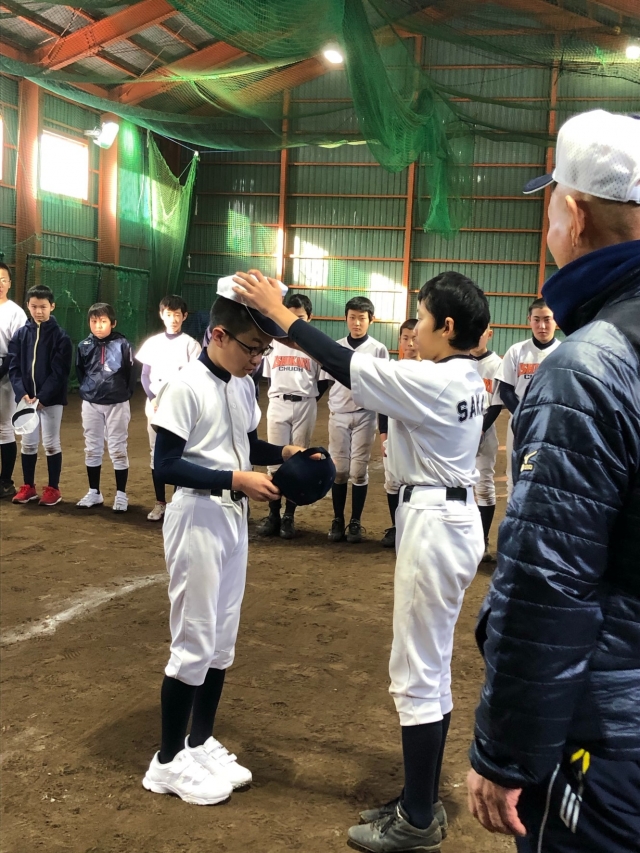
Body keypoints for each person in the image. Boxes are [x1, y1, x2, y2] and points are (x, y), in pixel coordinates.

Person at [234, 268, 489, 853]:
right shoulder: (463, 375)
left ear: (448, 326)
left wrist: (282, 315)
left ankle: (417, 818)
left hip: (435, 523)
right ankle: (420, 800)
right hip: (450, 518)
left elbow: (345, 365)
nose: (416, 327)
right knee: (431, 669)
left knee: (417, 672)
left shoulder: (436, 379)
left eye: (424, 318)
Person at [467, 110, 640, 853]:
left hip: (610, 731)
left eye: (550, 209)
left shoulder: (591, 366)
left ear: (574, 214)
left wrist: (507, 752)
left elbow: (548, 583)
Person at [142, 278, 315, 805]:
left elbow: (241, 443)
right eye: (252, 348)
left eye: (263, 351)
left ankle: (198, 742)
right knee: (193, 642)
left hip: (231, 517)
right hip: (196, 516)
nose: (258, 360)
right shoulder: (185, 385)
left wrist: (281, 454)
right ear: (218, 335)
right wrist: (233, 479)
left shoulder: (240, 384)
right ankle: (166, 762)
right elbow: (165, 465)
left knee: (221, 642)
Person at [257, 293, 328, 540]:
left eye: (300, 317)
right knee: (274, 460)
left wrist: (307, 399)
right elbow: (268, 377)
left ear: (309, 317)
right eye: (290, 315)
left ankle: (289, 516)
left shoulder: (314, 343)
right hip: (278, 402)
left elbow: (322, 382)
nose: (294, 321)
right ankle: (273, 514)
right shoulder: (274, 341)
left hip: (305, 404)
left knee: (299, 461)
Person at [322, 296, 389, 544]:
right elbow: (326, 382)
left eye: (362, 318)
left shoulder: (378, 349)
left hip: (365, 415)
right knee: (339, 470)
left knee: (359, 472)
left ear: (371, 320)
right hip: (338, 414)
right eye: (352, 317)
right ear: (346, 319)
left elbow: (383, 386)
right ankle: (338, 519)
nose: (357, 323)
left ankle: (355, 521)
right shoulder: (336, 347)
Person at [135, 295, 201, 522]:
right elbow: (145, 376)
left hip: (180, 406)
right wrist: (153, 398)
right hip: (155, 405)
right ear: (161, 315)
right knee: (156, 452)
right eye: (168, 314)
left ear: (184, 316)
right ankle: (160, 502)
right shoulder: (153, 343)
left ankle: (178, 503)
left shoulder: (191, 345)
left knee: (181, 451)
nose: (173, 319)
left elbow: (195, 378)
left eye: (177, 314)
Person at [8, 284, 72, 506]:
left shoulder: (61, 337)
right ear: (28, 306)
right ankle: (29, 488)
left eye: (43, 306)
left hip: (50, 401)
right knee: (28, 444)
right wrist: (22, 393)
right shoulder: (20, 335)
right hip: (26, 400)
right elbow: (14, 367)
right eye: (34, 306)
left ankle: (53, 489)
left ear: (52, 306)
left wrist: (43, 398)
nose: (38, 311)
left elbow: (60, 372)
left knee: (51, 443)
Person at [495, 298, 560, 500]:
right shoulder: (517, 351)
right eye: (537, 319)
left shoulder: (563, 352)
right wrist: (524, 415)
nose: (542, 326)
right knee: (514, 475)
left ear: (556, 321)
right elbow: (505, 390)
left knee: (548, 475)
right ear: (529, 320)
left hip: (551, 424)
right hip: (520, 423)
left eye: (547, 319)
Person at [75, 303, 136, 512]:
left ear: (113, 323)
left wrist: (122, 394)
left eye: (103, 321)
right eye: (94, 321)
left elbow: (130, 373)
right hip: (91, 402)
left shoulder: (123, 344)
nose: (98, 325)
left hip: (117, 403)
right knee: (92, 447)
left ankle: (121, 495)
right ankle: (94, 492)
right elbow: (80, 372)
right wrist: (89, 391)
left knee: (118, 448)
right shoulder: (83, 345)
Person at [379, 319, 420, 549]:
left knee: (416, 480)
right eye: (406, 338)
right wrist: (383, 436)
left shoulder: (430, 369)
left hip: (418, 436)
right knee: (392, 481)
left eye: (415, 338)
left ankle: (413, 528)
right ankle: (396, 526)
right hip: (395, 433)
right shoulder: (392, 369)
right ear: (400, 341)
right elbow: (382, 405)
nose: (410, 343)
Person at [471, 326, 503, 563]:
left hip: (484, 429)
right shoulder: (459, 360)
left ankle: (482, 541)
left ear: (489, 334)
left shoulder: (496, 364)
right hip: (458, 428)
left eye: (482, 331)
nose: (477, 336)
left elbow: (497, 403)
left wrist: (480, 430)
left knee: (483, 485)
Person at [0, 263, 27, 499]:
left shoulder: (15, 312)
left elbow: (16, 348)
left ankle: (6, 481)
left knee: (4, 427)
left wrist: (2, 371)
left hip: (5, 373)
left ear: (9, 283)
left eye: (3, 279)